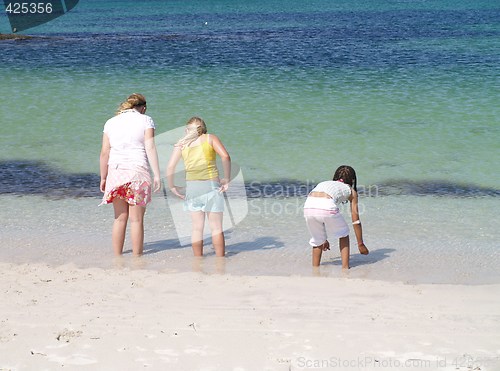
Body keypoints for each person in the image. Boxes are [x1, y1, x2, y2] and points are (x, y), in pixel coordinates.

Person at [99, 93, 161, 256]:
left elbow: (105, 152)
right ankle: (137, 258)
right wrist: (156, 174)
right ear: (143, 108)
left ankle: (117, 256)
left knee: (120, 218)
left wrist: (103, 177)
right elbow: (150, 148)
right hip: (137, 171)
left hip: (116, 171)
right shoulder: (146, 120)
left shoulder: (110, 122)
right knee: (136, 220)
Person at [166, 116, 231, 257]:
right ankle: (220, 259)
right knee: (216, 228)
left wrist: (172, 186)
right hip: (211, 186)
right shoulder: (210, 138)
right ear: (203, 129)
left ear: (186, 130)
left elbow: (170, 167)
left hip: (192, 188)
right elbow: (225, 157)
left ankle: (198, 259)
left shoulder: (182, 144)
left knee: (196, 228)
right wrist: (226, 179)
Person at [303, 165, 369, 268]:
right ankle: (345, 268)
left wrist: (323, 239)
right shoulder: (351, 191)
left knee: (317, 240)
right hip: (327, 205)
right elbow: (356, 221)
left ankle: (315, 269)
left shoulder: (324, 183)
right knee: (343, 234)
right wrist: (360, 244)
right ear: (352, 180)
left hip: (308, 206)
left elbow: (319, 210)